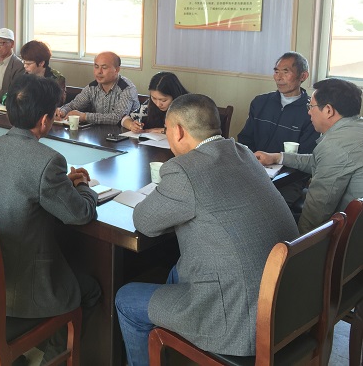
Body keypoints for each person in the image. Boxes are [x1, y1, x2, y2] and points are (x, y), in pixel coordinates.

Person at [115, 94, 298, 366]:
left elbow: (144, 221)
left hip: (238, 321)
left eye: (167, 129)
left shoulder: (185, 170)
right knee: (177, 269)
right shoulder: (243, 153)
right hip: (287, 304)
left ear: (178, 131)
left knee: (127, 299)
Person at [0, 75, 101, 364]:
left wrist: (63, 184)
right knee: (90, 290)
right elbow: (80, 214)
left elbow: (22, 185)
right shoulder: (48, 160)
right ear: (45, 120)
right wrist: (83, 187)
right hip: (22, 286)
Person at [255, 78, 363, 234]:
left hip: (351, 235)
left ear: (328, 110)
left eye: (311, 106)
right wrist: (278, 157)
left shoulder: (335, 145)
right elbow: (318, 161)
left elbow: (317, 210)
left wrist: (296, 246)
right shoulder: (356, 128)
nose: (309, 112)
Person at [238, 52, 317, 154]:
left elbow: (306, 155)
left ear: (303, 76)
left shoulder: (311, 111)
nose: (278, 78)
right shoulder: (260, 103)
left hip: (287, 164)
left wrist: (275, 160)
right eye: (276, 72)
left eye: (285, 72)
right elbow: (245, 139)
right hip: (254, 161)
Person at [55, 52, 139, 125]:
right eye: (96, 67)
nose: (99, 72)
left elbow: (118, 118)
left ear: (117, 69)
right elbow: (74, 105)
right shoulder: (92, 87)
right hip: (98, 134)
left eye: (104, 67)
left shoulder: (127, 89)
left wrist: (84, 116)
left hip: (124, 135)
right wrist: (62, 111)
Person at [121, 72, 189, 134]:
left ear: (174, 95)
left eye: (163, 100)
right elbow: (125, 119)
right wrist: (132, 125)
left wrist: (162, 130)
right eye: (154, 98)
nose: (158, 104)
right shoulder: (150, 104)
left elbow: (190, 132)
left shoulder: (188, 106)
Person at [20, 39, 66, 105]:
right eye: (24, 62)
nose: (25, 66)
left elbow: (57, 103)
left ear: (41, 63)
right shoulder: (24, 76)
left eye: (28, 64)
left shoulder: (57, 78)